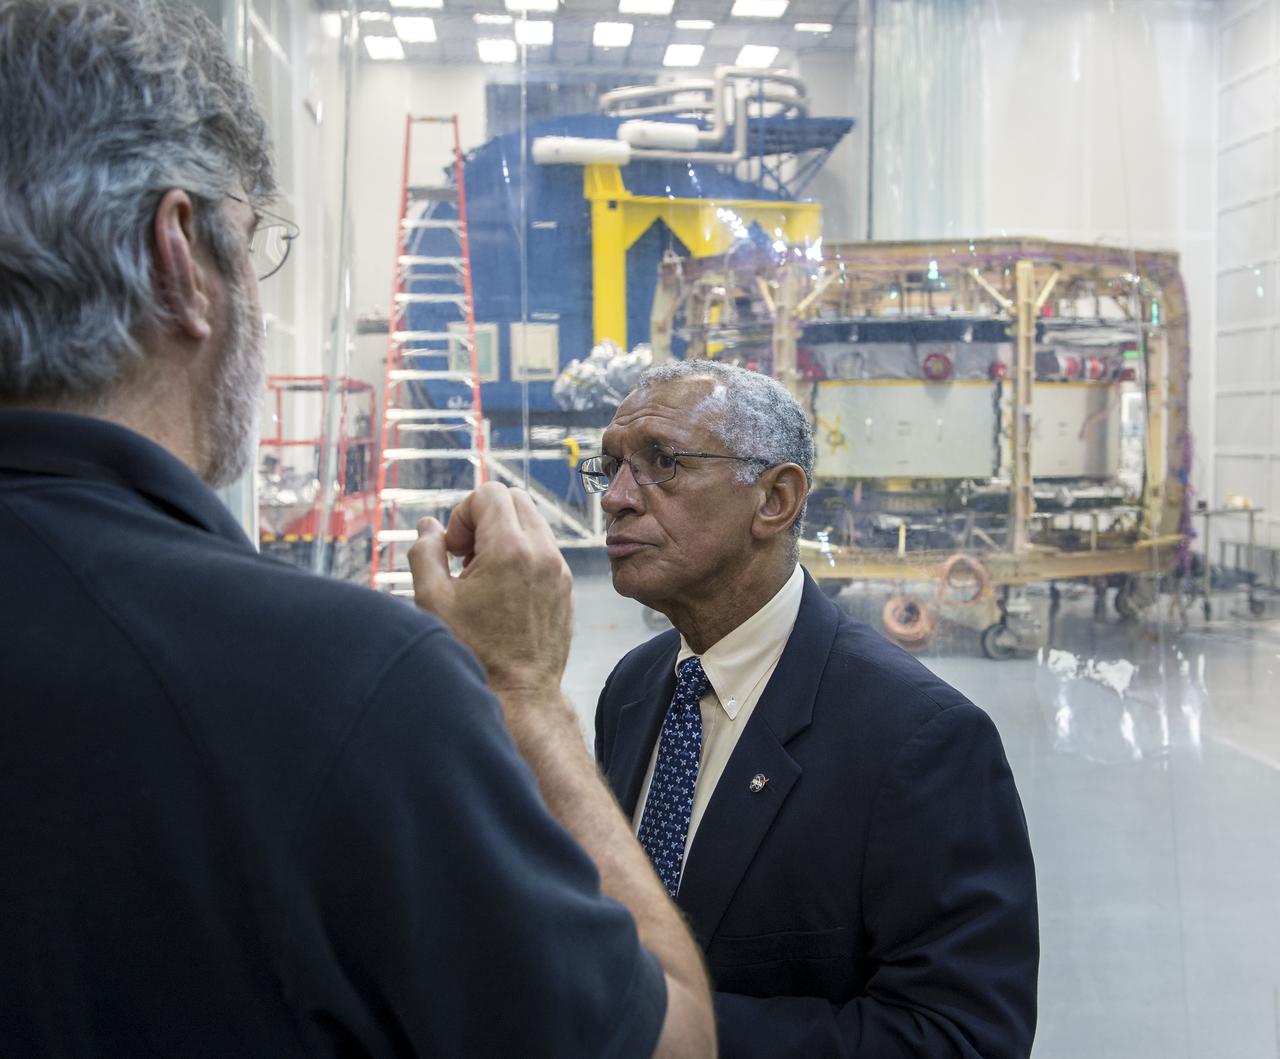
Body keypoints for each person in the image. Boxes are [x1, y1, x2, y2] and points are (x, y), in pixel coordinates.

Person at [0, 2, 714, 1055]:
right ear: (178, 259)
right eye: (252, 247)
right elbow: (674, 1039)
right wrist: (522, 689)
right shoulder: (346, 685)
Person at [590, 359, 1039, 1058]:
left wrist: (662, 1029)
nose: (617, 497)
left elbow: (961, 1036)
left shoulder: (919, 740)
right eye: (611, 466)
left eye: (662, 463)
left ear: (775, 499)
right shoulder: (635, 688)